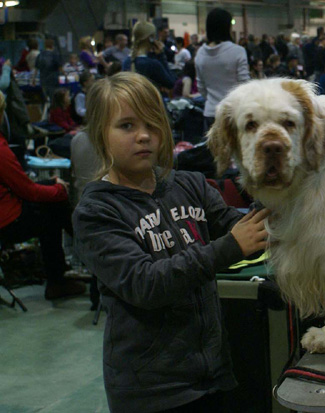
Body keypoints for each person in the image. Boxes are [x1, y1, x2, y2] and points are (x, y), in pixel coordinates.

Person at [72, 72, 270, 413]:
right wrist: (231, 247)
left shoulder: (189, 184)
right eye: (127, 126)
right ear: (100, 135)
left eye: (153, 123)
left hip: (213, 374)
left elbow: (236, 225)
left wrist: (274, 188)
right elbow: (146, 284)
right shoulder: (96, 212)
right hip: (153, 391)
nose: (144, 136)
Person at [0, 91, 85, 300]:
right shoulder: (1, 151)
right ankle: (81, 254)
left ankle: (80, 251)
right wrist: (58, 189)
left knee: (53, 195)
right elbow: (28, 191)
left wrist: (53, 186)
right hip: (7, 220)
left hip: (7, 208)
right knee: (54, 209)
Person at [194, 8, 250, 130]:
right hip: (233, 113)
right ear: (227, 27)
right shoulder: (238, 51)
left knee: (212, 149)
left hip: (210, 113)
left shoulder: (200, 53)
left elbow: (201, 88)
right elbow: (245, 85)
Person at [130, 20, 177, 93]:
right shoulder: (153, 64)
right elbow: (171, 83)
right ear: (150, 38)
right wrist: (161, 56)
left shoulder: (127, 61)